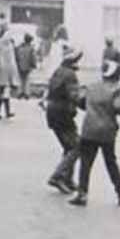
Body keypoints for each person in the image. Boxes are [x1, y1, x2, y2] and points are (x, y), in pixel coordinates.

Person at [68, 59, 120, 207]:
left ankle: (82, 194)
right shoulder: (116, 90)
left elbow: (79, 99)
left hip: (89, 130)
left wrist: (89, 109)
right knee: (111, 163)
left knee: (86, 163)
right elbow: (119, 106)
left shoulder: (92, 87)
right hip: (107, 132)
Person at [42, 45, 83, 194]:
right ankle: (57, 176)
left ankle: (67, 178)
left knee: (69, 146)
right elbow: (75, 96)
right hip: (63, 113)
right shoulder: (70, 75)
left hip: (53, 112)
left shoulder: (58, 71)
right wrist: (90, 103)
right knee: (76, 147)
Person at [14, 31, 38, 99]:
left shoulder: (19, 47)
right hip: (27, 66)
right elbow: (32, 57)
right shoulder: (31, 48)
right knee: (27, 79)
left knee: (20, 79)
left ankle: (20, 92)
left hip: (19, 65)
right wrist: (34, 65)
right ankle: (26, 93)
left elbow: (16, 56)